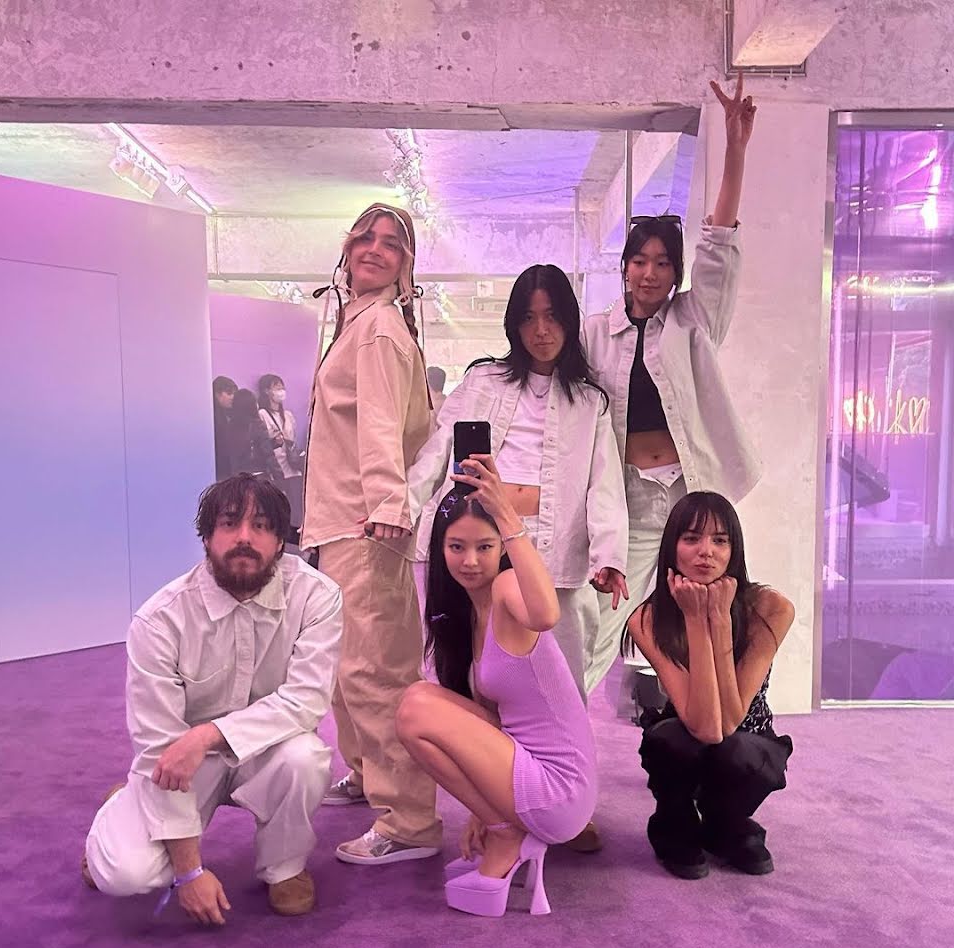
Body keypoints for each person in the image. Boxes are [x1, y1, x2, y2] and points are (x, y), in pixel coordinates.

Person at [82, 474, 343, 920]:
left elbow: (306, 701)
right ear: (206, 537)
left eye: (261, 526)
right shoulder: (159, 620)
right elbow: (159, 746)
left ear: (281, 542)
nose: (244, 537)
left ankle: (284, 867)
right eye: (229, 524)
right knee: (125, 875)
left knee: (306, 757)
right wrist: (188, 872)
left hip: (264, 748)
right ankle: (117, 808)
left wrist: (207, 734)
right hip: (181, 763)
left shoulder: (317, 597)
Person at [583, 76, 761, 694]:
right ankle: (564, 724)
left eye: (663, 263)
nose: (650, 272)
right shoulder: (594, 333)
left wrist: (735, 148)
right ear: (623, 267)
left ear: (675, 272)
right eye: (640, 260)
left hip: (690, 493)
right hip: (630, 498)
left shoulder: (693, 320)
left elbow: (720, 245)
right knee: (601, 620)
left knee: (705, 621)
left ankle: (710, 722)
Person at [408, 264, 628, 702]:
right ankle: (471, 737)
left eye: (552, 316)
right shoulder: (483, 380)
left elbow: (604, 486)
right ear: (514, 324)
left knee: (562, 671)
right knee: (471, 664)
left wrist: (608, 555)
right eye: (529, 318)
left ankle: (561, 744)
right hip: (480, 541)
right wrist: (403, 508)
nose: (541, 331)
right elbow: (437, 450)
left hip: (556, 546)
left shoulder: (590, 402)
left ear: (569, 320)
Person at [301, 203, 441, 864]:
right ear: (348, 246)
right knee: (345, 666)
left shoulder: (380, 327)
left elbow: (383, 424)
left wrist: (387, 503)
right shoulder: (355, 320)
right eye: (365, 237)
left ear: (405, 265)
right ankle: (366, 772)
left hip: (365, 523)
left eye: (391, 244)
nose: (375, 249)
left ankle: (409, 820)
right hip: (338, 521)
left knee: (376, 669)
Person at [396, 456, 597, 918]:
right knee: (417, 698)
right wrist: (481, 811)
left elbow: (546, 615)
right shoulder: (470, 613)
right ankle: (505, 828)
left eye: (484, 547)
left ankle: (509, 837)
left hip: (560, 788)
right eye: (456, 547)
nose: (470, 561)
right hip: (525, 766)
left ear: (500, 548)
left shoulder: (507, 586)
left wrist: (507, 515)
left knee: (415, 711)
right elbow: (493, 725)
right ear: (440, 549)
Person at [626, 491, 794, 880]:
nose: (706, 551)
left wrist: (719, 617)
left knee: (738, 751)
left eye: (720, 540)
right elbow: (705, 728)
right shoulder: (648, 618)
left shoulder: (771, 608)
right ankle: (674, 822)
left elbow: (730, 723)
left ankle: (725, 824)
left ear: (734, 551)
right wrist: (695, 618)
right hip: (688, 728)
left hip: (748, 736)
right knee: (670, 740)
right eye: (691, 538)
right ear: (673, 548)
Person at [257, 373, 304, 528]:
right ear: (266, 391)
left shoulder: (288, 415)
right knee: (280, 512)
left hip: (294, 468)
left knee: (297, 511)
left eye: (282, 387)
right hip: (277, 470)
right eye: (276, 387)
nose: (281, 391)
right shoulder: (262, 414)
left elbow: (294, 439)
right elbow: (261, 444)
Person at [228, 388, 280, 480]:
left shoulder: (230, 426)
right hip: (257, 475)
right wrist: (279, 477)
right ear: (251, 405)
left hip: (237, 477)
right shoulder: (257, 425)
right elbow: (267, 453)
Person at [212, 375, 237, 480]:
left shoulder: (232, 414)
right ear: (217, 394)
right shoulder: (211, 416)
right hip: (218, 469)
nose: (233, 397)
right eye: (229, 393)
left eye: (235, 394)